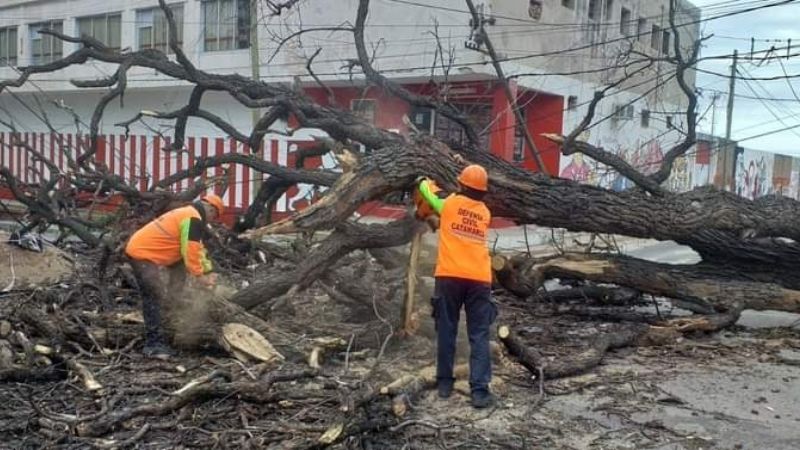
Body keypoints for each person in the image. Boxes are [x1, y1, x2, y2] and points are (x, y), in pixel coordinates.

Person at [417, 164, 497, 408]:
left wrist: (423, 180)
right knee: (479, 335)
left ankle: (444, 384)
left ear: (461, 184)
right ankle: (480, 391)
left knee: (447, 329)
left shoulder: (450, 204)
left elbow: (430, 195)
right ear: (483, 191)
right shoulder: (485, 213)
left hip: (449, 276)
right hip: (479, 279)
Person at [125, 194, 224, 358]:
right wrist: (200, 276)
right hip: (142, 253)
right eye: (214, 217)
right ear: (212, 210)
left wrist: (208, 271)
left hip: (147, 251)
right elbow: (190, 249)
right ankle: (153, 344)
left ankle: (172, 308)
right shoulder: (193, 218)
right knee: (153, 294)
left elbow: (198, 249)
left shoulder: (188, 214)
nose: (211, 221)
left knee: (179, 268)